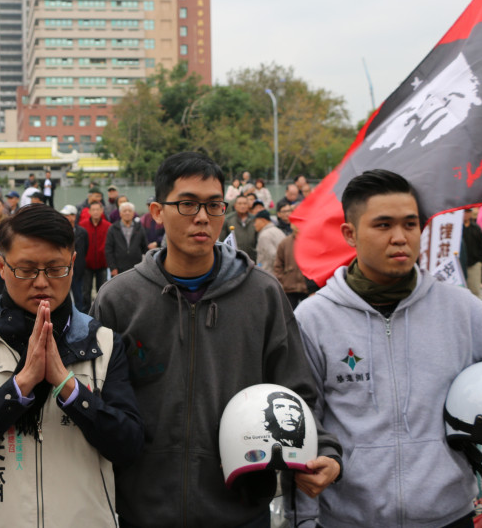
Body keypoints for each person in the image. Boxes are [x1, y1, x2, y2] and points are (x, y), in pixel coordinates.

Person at [293, 169, 482, 527]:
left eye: (410, 224)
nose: (400, 238)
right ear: (350, 234)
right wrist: (303, 520)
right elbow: (303, 423)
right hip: (348, 520)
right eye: (383, 225)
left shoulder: (459, 307)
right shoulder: (314, 318)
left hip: (450, 517)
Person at [93, 152, 342, 527]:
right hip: (144, 511)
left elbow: (295, 389)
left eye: (213, 205)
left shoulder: (262, 295)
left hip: (241, 508)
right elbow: (99, 404)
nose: (202, 217)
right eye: (188, 204)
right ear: (158, 212)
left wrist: (323, 449)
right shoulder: (119, 299)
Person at [0, 205, 144, 526]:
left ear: (73, 264)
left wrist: (68, 386)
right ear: (1, 266)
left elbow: (128, 445)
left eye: (55, 268)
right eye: (26, 270)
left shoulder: (104, 343)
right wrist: (19, 387)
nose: (42, 282)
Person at [80, 200, 110, 311]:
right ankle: (85, 312)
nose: (96, 212)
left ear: (102, 211)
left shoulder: (108, 226)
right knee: (86, 291)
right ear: (89, 211)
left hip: (102, 264)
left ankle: (100, 312)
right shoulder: (83, 225)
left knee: (102, 290)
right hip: (87, 264)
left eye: (98, 209)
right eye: (93, 210)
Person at [273, 225, 311, 311]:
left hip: (308, 288)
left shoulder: (312, 241)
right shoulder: (285, 243)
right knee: (289, 315)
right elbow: (278, 265)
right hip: (289, 288)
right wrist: (283, 279)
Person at [105, 201, 148, 277]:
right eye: (124, 211)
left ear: (133, 213)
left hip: (136, 268)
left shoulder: (139, 228)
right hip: (118, 269)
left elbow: (145, 248)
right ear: (120, 213)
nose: (127, 213)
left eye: (130, 211)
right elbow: (108, 250)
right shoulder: (113, 229)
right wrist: (113, 268)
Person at [60, 205, 89, 307]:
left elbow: (85, 248)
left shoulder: (82, 232)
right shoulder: (59, 231)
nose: (66, 217)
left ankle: (79, 314)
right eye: (64, 215)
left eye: (67, 215)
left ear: (74, 216)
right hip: (63, 267)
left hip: (78, 268)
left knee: (78, 293)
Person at [219, 193, 257, 261]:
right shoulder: (228, 220)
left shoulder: (254, 219)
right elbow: (222, 242)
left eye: (245, 203)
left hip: (252, 259)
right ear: (235, 205)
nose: (242, 206)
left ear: (248, 205)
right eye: (239, 203)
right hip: (234, 259)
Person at [461, 207, 482, 298]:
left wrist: (479, 260)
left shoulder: (476, 228)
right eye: (464, 212)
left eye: (468, 212)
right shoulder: (456, 228)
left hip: (474, 264)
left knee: (475, 292)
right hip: (460, 265)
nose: (466, 214)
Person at [253, 209, 285, 275]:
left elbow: (273, 256)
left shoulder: (265, 235)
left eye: (255, 221)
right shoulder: (278, 231)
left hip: (269, 273)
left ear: (263, 220)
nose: (254, 225)